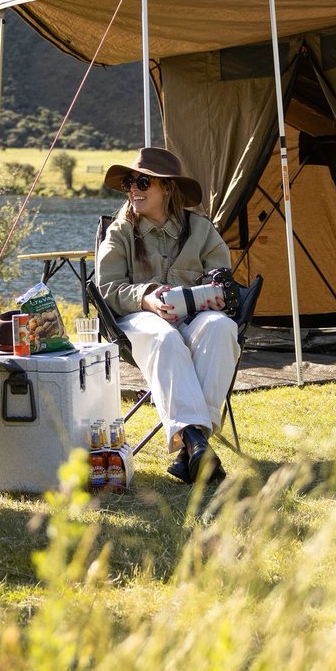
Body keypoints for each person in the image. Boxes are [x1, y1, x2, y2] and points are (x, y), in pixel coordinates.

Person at [95, 147, 239, 484]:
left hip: (194, 315)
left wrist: (211, 296)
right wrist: (145, 297)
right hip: (138, 320)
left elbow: (221, 276)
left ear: (168, 188)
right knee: (164, 336)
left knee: (221, 328)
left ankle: (191, 449)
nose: (134, 189)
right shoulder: (120, 232)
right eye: (130, 182)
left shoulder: (201, 229)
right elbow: (107, 289)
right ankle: (196, 441)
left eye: (143, 182)